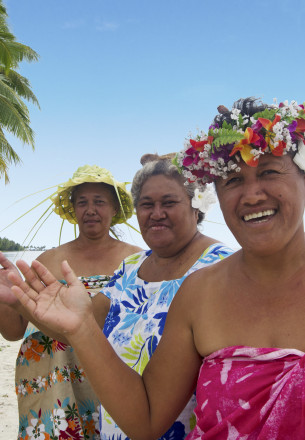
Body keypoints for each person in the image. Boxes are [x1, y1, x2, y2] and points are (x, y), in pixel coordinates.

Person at [6, 156, 233, 440]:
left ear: (196, 205)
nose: (156, 213)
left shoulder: (223, 267)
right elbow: (83, 328)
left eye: (169, 202)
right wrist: (18, 301)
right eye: (147, 204)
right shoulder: (131, 268)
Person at [0, 164, 141, 440]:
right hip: (52, 382)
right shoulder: (48, 260)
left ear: (114, 209)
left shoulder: (137, 260)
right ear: (73, 209)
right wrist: (6, 299)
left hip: (112, 374)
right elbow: (14, 331)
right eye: (82, 202)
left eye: (99, 202)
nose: (90, 209)